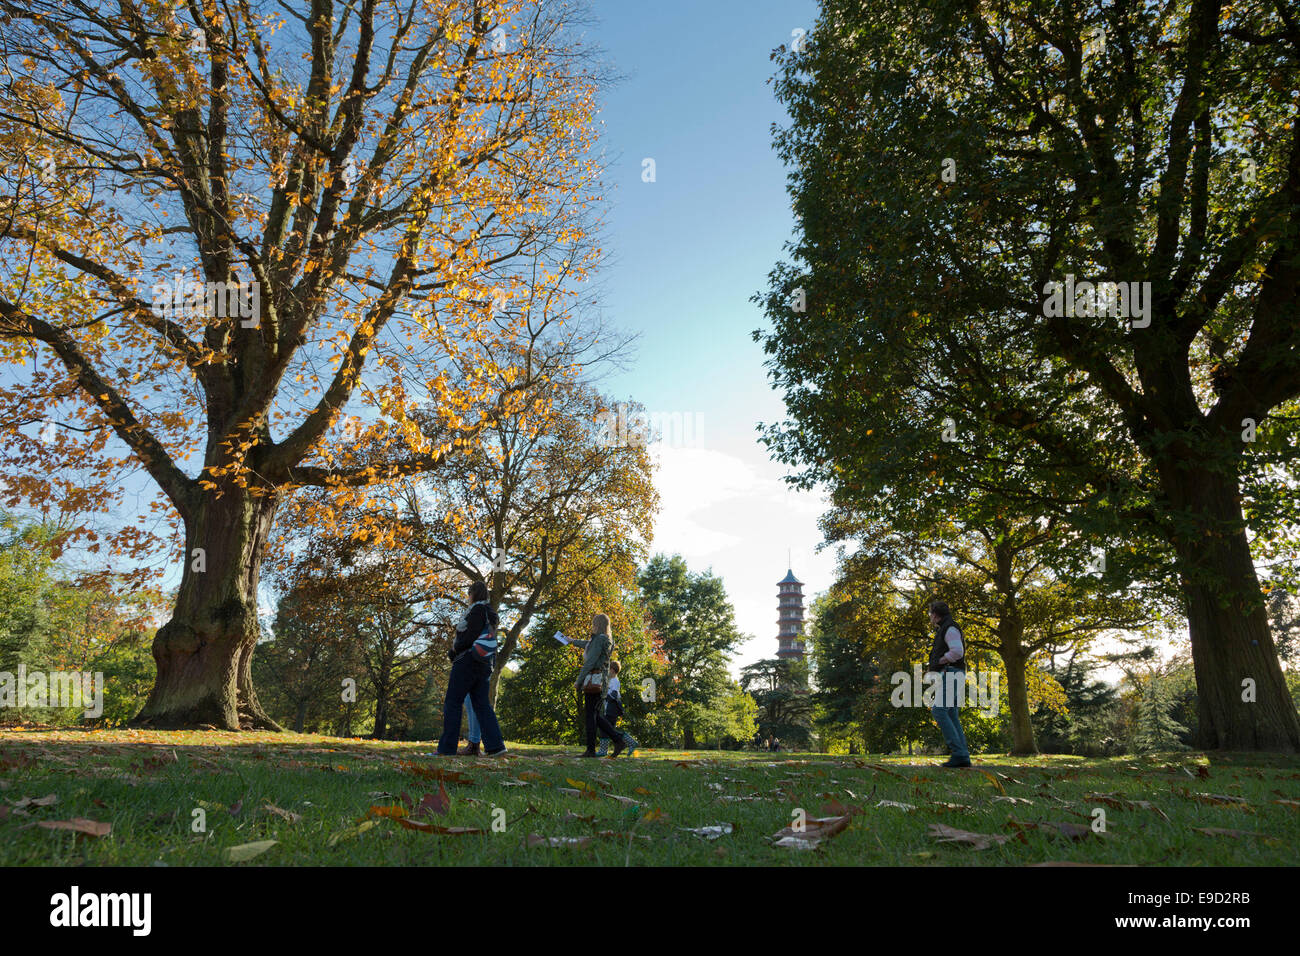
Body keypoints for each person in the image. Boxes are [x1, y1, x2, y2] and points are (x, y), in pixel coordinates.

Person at [436, 581, 507, 756]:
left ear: (473, 594)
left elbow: (468, 638)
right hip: (484, 663)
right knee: (482, 705)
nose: (468, 597)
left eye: (469, 593)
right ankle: (496, 746)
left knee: (453, 702)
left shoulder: (476, 611)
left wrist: (453, 651)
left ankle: (447, 749)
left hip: (467, 662)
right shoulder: (491, 613)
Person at [569, 613, 635, 758]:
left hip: (595, 680)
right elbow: (587, 644)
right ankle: (618, 740)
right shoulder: (605, 639)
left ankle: (591, 750)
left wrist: (579, 680)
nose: (592, 625)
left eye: (594, 623)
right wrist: (572, 641)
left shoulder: (600, 639)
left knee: (591, 716)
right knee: (595, 716)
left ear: (598, 624)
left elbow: (590, 661)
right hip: (602, 681)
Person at [927, 599, 971, 768]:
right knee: (951, 713)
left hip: (951, 672)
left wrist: (941, 661)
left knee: (938, 710)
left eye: (931, 613)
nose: (930, 617)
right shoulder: (946, 627)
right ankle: (963, 756)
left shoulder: (950, 628)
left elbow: (957, 652)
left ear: (936, 615)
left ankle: (959, 753)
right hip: (952, 673)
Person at [595, 660, 637, 757]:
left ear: (613, 670)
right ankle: (604, 750)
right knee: (607, 729)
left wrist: (603, 695)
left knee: (607, 729)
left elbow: (613, 695)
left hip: (612, 708)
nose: (606, 671)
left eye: (608, 669)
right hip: (608, 707)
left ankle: (630, 742)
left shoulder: (615, 681)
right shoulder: (610, 680)